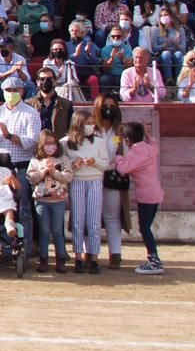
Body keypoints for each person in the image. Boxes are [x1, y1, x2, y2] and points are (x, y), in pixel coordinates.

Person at [63, 111, 112, 274]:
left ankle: (94, 258)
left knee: (94, 222)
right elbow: (62, 165)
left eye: (92, 123)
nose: (91, 126)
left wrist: (95, 161)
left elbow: (105, 165)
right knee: (77, 221)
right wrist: (72, 164)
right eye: (87, 123)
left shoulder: (98, 142)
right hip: (77, 181)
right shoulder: (65, 143)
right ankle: (78, 256)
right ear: (78, 124)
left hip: (95, 180)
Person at [114, 122, 165, 275]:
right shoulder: (149, 149)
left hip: (146, 196)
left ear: (127, 140)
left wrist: (117, 157)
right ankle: (153, 258)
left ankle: (154, 260)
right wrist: (149, 135)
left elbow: (123, 169)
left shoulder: (135, 153)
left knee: (144, 228)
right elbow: (155, 147)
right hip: (155, 194)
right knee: (146, 227)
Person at [27, 130, 72, 273]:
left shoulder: (63, 159)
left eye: (53, 144)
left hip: (58, 200)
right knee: (44, 231)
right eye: (47, 144)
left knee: (58, 231)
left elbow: (69, 177)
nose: (50, 147)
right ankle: (44, 260)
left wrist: (54, 172)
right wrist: (43, 171)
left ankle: (60, 260)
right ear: (41, 145)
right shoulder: (35, 160)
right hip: (41, 200)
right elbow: (31, 178)